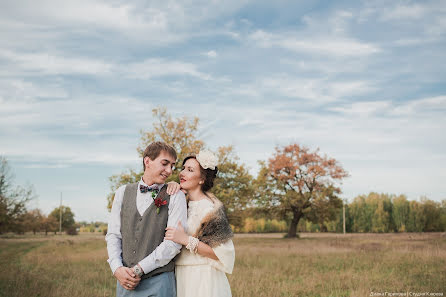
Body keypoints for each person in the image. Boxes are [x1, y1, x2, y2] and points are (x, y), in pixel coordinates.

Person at [106, 141, 187, 297]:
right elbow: (114, 235)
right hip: (126, 283)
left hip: (160, 283)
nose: (169, 171)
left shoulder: (176, 195)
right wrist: (117, 269)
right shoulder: (122, 192)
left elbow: (173, 244)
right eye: (165, 164)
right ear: (147, 161)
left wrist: (138, 269)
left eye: (172, 166)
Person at [164, 150, 235, 297]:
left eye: (190, 170)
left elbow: (221, 253)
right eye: (183, 168)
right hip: (181, 276)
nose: (183, 173)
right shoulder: (181, 201)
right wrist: (170, 186)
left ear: (202, 179)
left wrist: (185, 239)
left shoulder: (210, 209)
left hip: (203, 278)